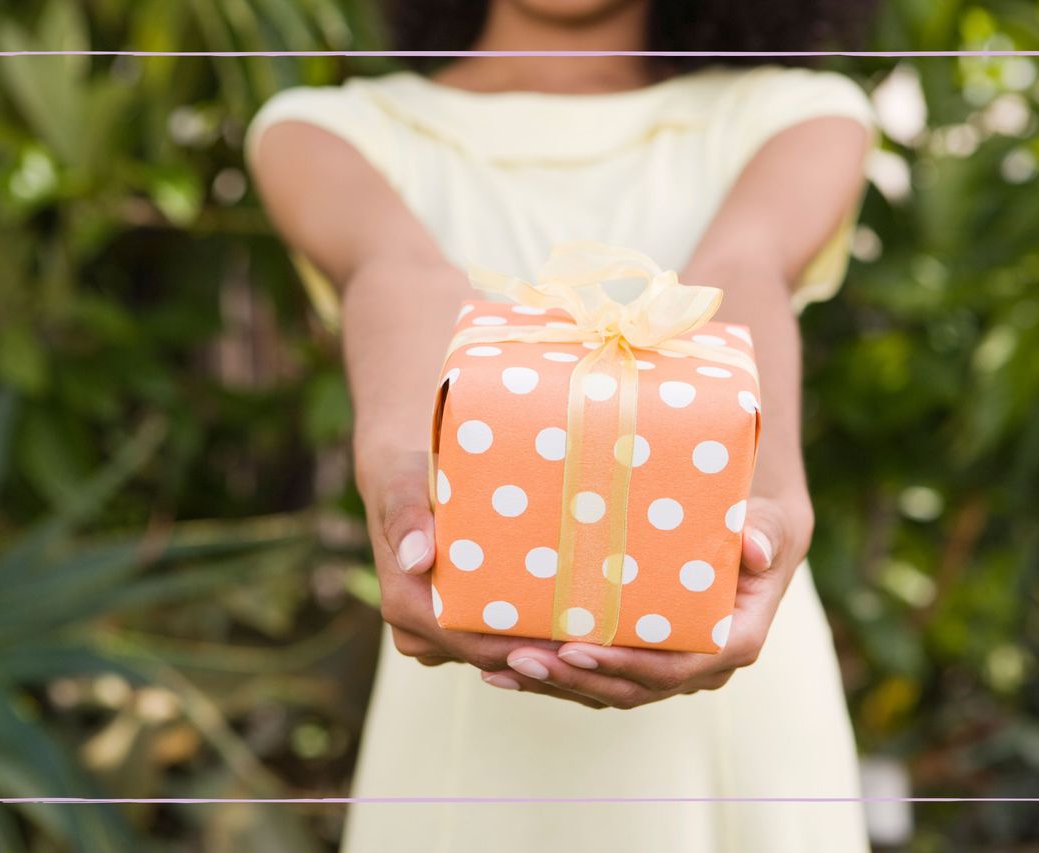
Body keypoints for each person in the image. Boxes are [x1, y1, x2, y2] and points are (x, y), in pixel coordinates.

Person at [246, 0, 879, 849]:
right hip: (468, 676)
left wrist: (767, 500)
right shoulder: (326, 130)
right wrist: (401, 469)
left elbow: (740, 272)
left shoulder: (798, 114)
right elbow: (403, 275)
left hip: (732, 654)